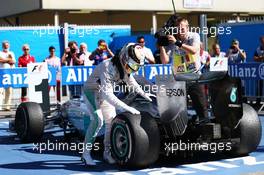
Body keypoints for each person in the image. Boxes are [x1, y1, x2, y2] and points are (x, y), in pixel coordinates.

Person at [82, 43, 155, 165]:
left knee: (111, 121)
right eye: (133, 64)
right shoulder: (107, 66)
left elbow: (131, 81)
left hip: (103, 92)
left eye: (137, 66)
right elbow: (108, 95)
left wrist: (144, 94)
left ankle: (107, 153)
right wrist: (127, 108)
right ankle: (85, 154)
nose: (134, 68)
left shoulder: (124, 66)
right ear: (124, 58)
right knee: (98, 120)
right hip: (92, 92)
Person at [160, 17, 209, 123]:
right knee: (178, 108)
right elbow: (165, 61)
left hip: (194, 76)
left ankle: (205, 126)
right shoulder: (172, 39)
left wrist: (178, 43)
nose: (180, 30)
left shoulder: (193, 36)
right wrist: (162, 46)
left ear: (187, 28)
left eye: (183, 28)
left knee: (201, 106)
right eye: (178, 28)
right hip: (179, 79)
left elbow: (194, 50)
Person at [0, 41, 16, 111]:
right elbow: (0, 60)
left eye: (7, 45)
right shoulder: (0, 52)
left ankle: (7, 107)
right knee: (0, 91)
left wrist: (4, 60)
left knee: (9, 90)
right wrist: (9, 59)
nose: (6, 46)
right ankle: (0, 106)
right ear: (2, 46)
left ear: (9, 46)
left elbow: (13, 62)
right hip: (1, 73)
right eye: (4, 45)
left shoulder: (11, 53)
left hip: (9, 74)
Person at [253, 36, 264, 108]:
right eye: (262, 41)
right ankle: (258, 102)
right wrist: (261, 57)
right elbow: (254, 58)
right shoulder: (258, 49)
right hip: (261, 71)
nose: (263, 42)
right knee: (259, 87)